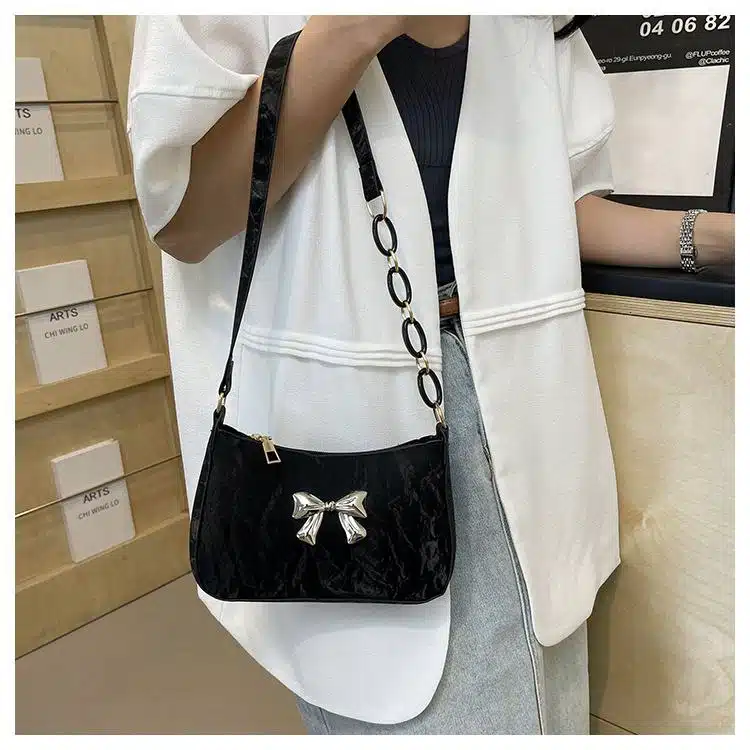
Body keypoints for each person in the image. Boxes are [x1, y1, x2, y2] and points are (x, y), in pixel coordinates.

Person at [127, 15, 735, 735]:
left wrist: (713, 237)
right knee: (399, 699)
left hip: (531, 409)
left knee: (550, 707)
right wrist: (353, 31)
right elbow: (185, 215)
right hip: (347, 443)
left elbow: (557, 202)